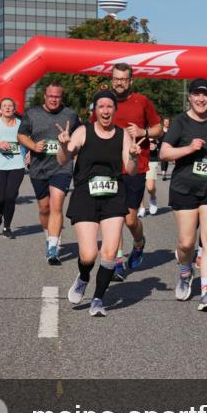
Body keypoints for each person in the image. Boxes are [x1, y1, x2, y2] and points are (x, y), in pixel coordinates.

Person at [59, 90, 142, 317]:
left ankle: (98, 299)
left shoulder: (122, 135)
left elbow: (131, 169)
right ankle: (84, 277)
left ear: (115, 110)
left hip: (114, 195)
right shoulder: (83, 130)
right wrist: (64, 145)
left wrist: (134, 157)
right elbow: (63, 159)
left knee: (110, 252)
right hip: (85, 194)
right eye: (101, 107)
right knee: (88, 255)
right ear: (95, 110)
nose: (105, 110)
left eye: (109, 107)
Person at [160, 79, 207, 311]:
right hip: (184, 188)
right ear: (189, 97)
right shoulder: (180, 122)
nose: (201, 99)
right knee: (186, 243)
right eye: (197, 94)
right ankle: (185, 270)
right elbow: (164, 153)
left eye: (205, 95)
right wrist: (189, 148)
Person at [103, 63, 161, 280]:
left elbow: (158, 129)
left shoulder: (142, 101)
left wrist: (142, 130)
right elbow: (92, 129)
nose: (120, 82)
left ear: (131, 81)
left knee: (129, 219)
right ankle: (117, 262)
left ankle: (139, 242)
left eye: (124, 79)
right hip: (108, 168)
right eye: (116, 78)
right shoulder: (104, 102)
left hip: (136, 167)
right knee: (113, 217)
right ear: (111, 79)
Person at [18, 82, 81, 264]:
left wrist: (71, 145)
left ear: (62, 97)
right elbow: (21, 135)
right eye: (51, 96)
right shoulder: (32, 114)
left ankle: (53, 248)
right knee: (44, 208)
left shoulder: (70, 115)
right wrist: (33, 146)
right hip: (39, 167)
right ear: (45, 96)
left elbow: (81, 136)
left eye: (58, 96)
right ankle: (49, 236)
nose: (54, 99)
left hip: (62, 166)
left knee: (56, 204)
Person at [0, 98, 25, 238]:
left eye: (10, 106)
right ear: (0, 110)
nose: (7, 108)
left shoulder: (21, 124)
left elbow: (29, 141)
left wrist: (31, 153)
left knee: (10, 197)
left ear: (14, 109)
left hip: (17, 165)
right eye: (4, 106)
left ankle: (7, 227)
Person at [139, 118, 162, 217]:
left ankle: (153, 198)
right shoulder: (136, 127)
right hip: (138, 159)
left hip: (151, 160)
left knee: (150, 187)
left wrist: (156, 147)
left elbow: (162, 140)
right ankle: (141, 207)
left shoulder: (154, 128)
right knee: (138, 186)